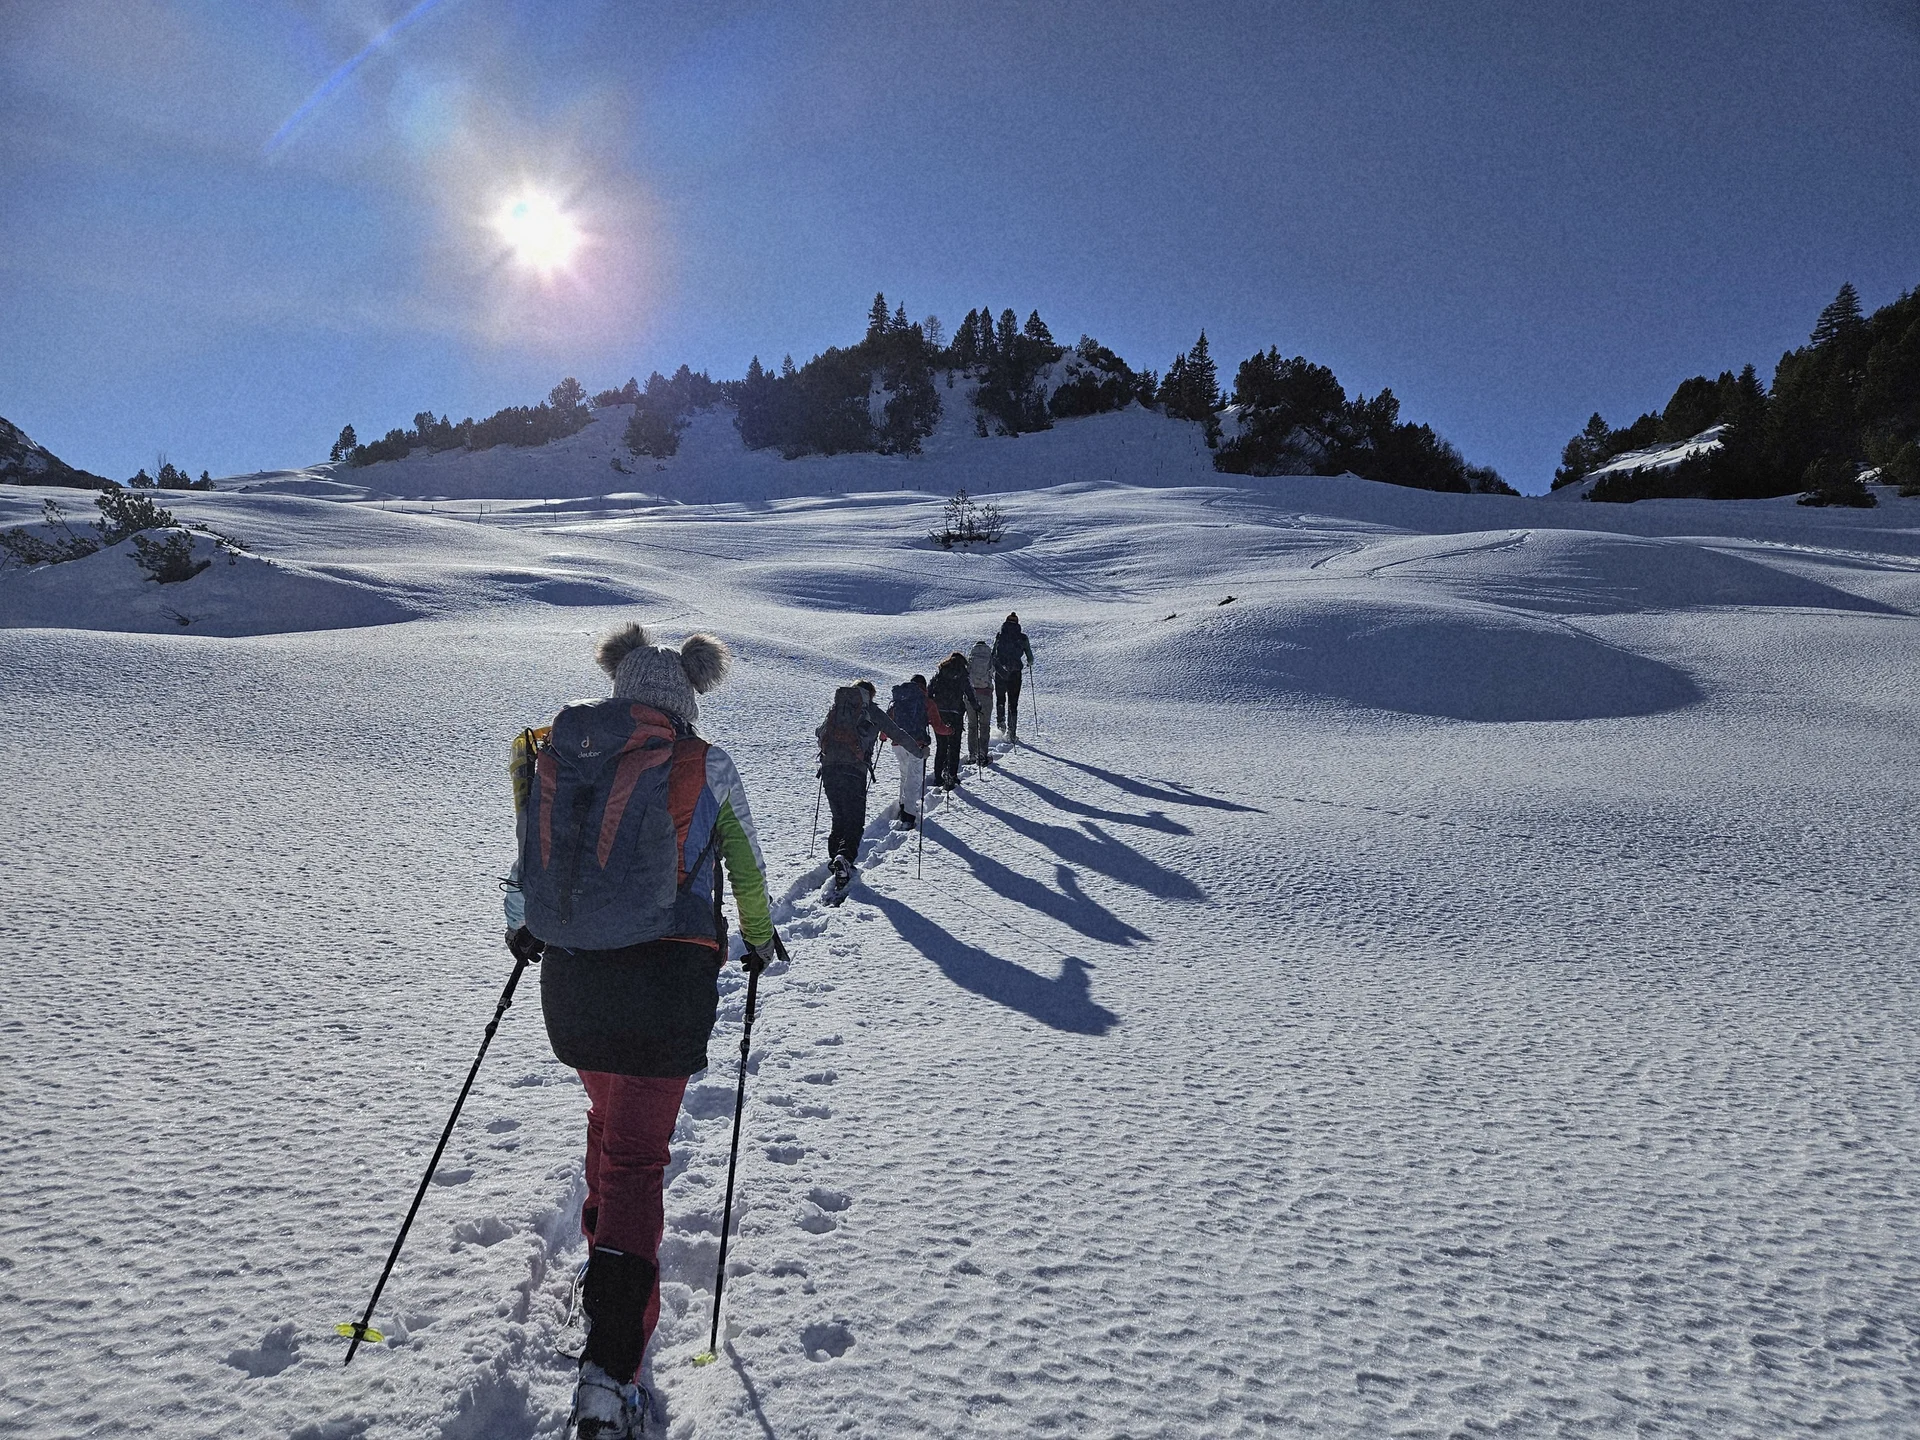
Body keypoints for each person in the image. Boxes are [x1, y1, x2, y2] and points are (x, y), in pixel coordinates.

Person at [506, 623, 775, 1440]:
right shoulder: (704, 763)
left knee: (607, 1120)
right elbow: (747, 871)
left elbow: (530, 865)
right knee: (635, 1157)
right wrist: (758, 941)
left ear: (620, 692)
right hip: (663, 989)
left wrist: (523, 930)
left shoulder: (564, 755)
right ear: (687, 699)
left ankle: (602, 1258)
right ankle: (609, 1371)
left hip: (574, 986)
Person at [816, 679, 923, 894]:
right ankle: (844, 860)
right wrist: (919, 751)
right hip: (853, 771)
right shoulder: (870, 710)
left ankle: (835, 862)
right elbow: (896, 733)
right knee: (854, 821)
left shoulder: (837, 708)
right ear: (870, 694)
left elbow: (820, 733)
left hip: (829, 769)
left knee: (839, 819)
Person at [887, 673, 949, 828]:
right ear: (924, 687)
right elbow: (938, 727)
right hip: (916, 745)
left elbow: (888, 722)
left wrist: (883, 737)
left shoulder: (899, 701)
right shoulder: (926, 702)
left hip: (898, 744)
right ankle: (908, 816)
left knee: (904, 775)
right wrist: (950, 731)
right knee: (914, 779)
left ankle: (902, 805)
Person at [928, 651, 973, 790]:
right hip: (955, 713)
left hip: (939, 713)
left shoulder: (940, 673)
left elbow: (930, 691)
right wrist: (976, 706)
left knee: (941, 745)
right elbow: (969, 692)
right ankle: (951, 775)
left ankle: (938, 776)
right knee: (954, 745)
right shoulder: (962, 674)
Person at [992, 612, 1034, 740]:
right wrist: (1029, 663)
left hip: (1000, 672)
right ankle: (1012, 732)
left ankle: (1001, 726)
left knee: (1000, 698)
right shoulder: (1022, 638)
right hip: (1015, 672)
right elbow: (1030, 657)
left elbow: (993, 652)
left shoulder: (1000, 636)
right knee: (1013, 702)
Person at [966, 640, 994, 768]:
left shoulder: (971, 657)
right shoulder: (990, 656)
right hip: (986, 694)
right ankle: (982, 753)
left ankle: (972, 754)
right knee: (984, 725)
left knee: (972, 725)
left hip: (971, 694)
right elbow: (994, 672)